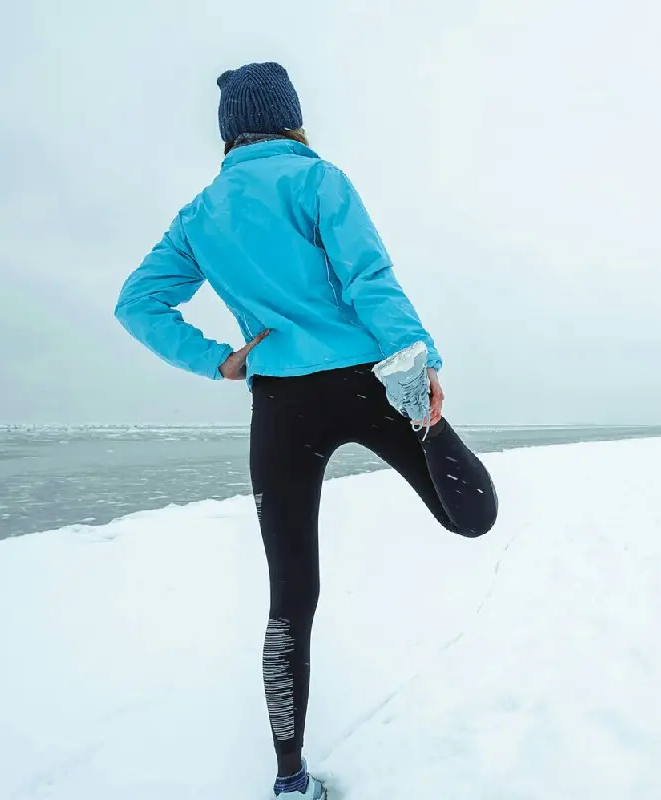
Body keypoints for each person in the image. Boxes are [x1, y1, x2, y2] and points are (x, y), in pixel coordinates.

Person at [113, 61, 499, 799]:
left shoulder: (198, 217)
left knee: (290, 597)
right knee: (472, 518)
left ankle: (290, 780)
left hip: (281, 406)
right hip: (369, 383)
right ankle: (428, 425)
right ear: (290, 118)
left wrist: (216, 361)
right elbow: (368, 279)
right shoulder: (318, 180)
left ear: (230, 133)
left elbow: (137, 303)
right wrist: (417, 366)